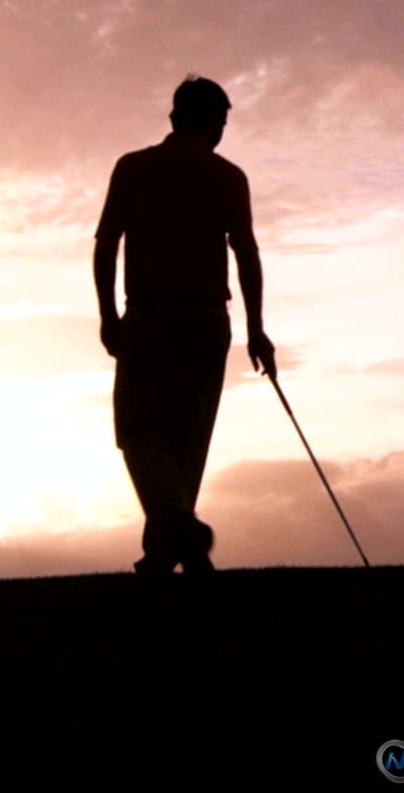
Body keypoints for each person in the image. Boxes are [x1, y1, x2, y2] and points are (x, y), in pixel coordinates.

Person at [94, 76, 276, 575]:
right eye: (222, 122)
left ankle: (176, 537)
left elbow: (107, 242)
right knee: (185, 442)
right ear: (214, 123)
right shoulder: (227, 176)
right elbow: (247, 254)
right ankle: (171, 551)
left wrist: (109, 316)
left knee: (140, 432)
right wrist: (256, 328)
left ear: (175, 117)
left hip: (151, 315)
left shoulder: (134, 169)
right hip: (206, 321)